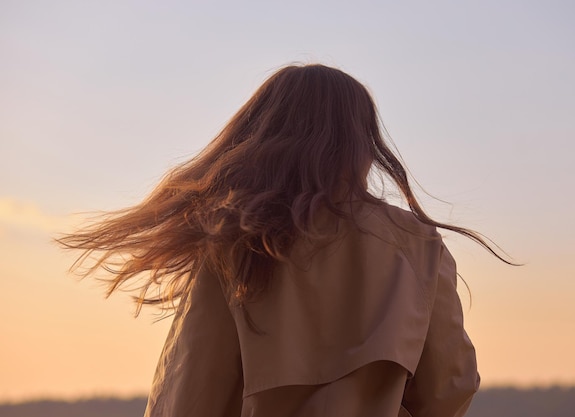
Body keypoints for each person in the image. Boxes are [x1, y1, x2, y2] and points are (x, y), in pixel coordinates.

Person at [59, 64, 510, 417]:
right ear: (361, 143)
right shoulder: (416, 244)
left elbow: (190, 392)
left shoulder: (236, 239)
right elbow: (450, 389)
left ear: (262, 136)